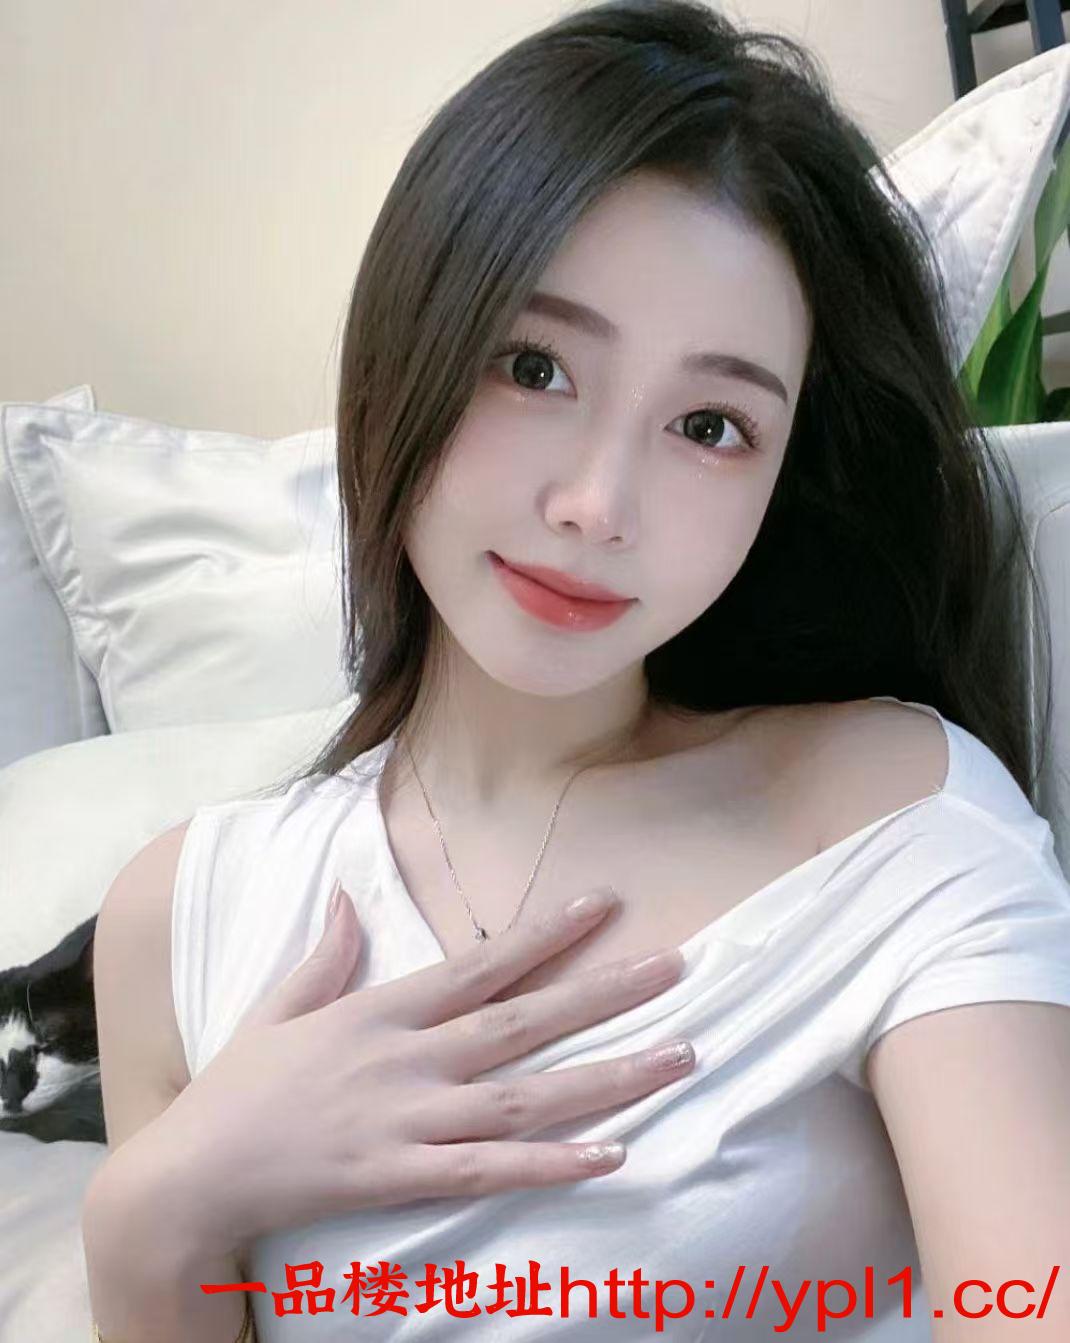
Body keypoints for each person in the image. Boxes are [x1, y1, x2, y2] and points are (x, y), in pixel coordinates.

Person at [82, 2, 1070, 1340]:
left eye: (709, 425)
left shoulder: (892, 817)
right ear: (405, 347)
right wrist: (150, 1213)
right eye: (534, 366)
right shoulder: (181, 913)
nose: (598, 505)